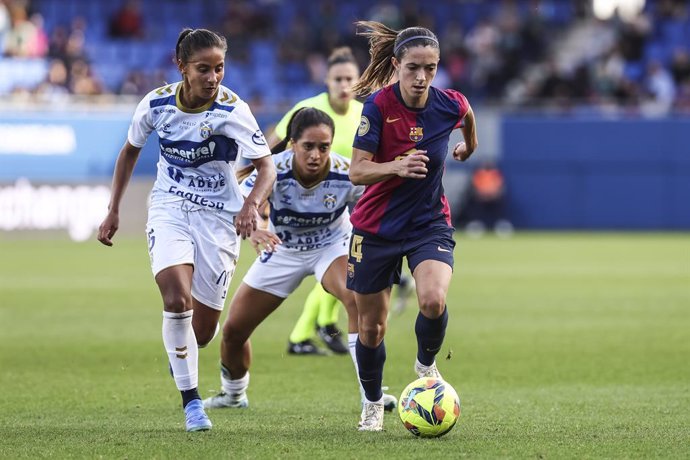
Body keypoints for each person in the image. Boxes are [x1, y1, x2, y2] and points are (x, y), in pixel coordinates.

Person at [97, 28, 276, 432]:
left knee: (202, 332)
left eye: (219, 68)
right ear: (181, 67)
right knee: (177, 300)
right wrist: (113, 210)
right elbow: (129, 152)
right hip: (170, 206)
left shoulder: (233, 110)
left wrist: (250, 207)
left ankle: (180, 352)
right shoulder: (156, 104)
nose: (213, 77)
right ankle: (192, 402)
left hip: (220, 219)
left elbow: (267, 166)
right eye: (204, 69)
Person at [203, 107, 396, 412]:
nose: (316, 155)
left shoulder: (346, 173)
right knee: (234, 331)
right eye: (308, 146)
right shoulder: (273, 169)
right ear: (292, 144)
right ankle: (233, 394)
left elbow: (374, 209)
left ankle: (370, 393)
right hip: (282, 249)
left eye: (324, 147)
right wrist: (255, 230)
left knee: (357, 301)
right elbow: (240, 206)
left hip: (331, 245)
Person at [346, 21, 478, 431]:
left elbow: (467, 114)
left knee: (433, 301)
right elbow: (356, 171)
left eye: (431, 68)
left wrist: (468, 146)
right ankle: (371, 401)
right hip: (376, 228)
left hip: (428, 223)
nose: (422, 77)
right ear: (396, 64)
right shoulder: (379, 108)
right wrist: (396, 166)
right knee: (371, 327)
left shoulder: (448, 103)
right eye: (413, 68)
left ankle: (425, 363)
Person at [267, 47, 415, 356]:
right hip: (308, 202)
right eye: (338, 79)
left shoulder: (366, 113)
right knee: (344, 270)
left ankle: (308, 331)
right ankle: (314, 327)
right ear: (326, 80)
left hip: (354, 200)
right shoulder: (308, 110)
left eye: (349, 78)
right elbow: (273, 145)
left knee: (347, 269)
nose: (344, 85)